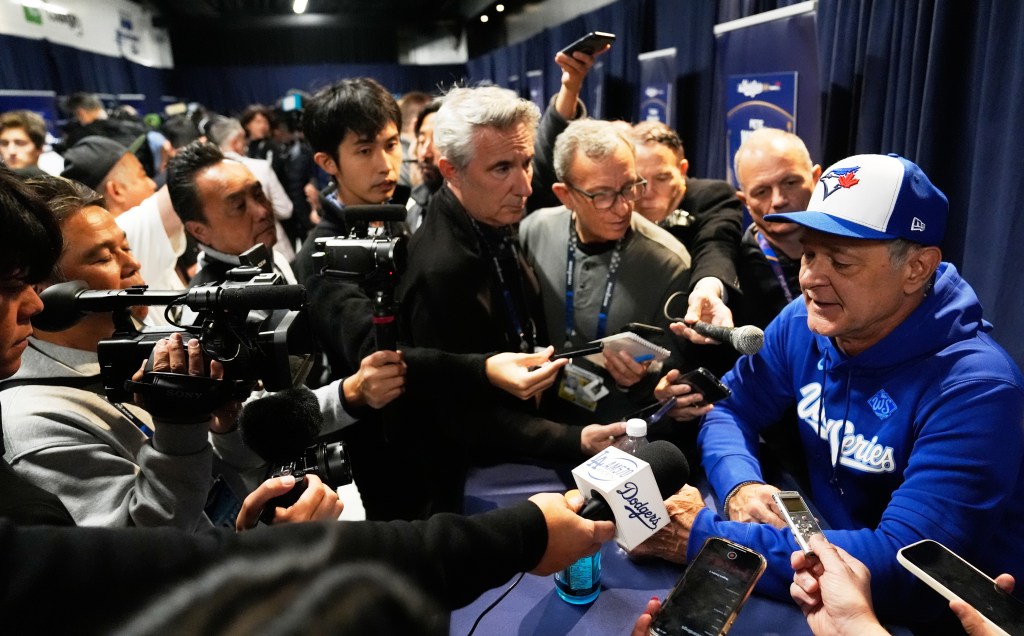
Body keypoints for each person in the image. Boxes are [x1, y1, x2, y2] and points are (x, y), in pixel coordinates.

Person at [628, 153, 1024, 630]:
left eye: (840, 261)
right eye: (810, 253)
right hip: (813, 579)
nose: (812, 277)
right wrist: (739, 482)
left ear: (917, 268)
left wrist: (701, 537)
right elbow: (731, 408)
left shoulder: (977, 388)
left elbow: (903, 562)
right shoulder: (803, 321)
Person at [0, 175, 263, 530]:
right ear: (46, 291)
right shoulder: (31, 423)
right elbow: (138, 546)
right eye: (104, 257)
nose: (131, 265)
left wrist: (226, 422)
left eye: (126, 247)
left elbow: (231, 464)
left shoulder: (134, 337)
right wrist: (179, 429)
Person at [520, 118, 699, 427]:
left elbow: (673, 372)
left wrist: (643, 380)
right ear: (565, 195)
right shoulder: (534, 230)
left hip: (619, 435)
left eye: (629, 187)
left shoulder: (668, 261)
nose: (622, 208)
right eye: (602, 195)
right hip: (541, 425)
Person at [629, 121, 746, 375]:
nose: (647, 193)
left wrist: (708, 288)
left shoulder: (712, 196)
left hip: (697, 356)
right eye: (638, 180)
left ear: (682, 170)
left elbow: (716, 245)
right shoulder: (622, 203)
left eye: (661, 178)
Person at [293, 76, 407, 285]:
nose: (386, 166)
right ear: (328, 162)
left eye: (391, 145)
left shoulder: (396, 216)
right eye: (365, 151)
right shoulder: (322, 258)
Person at [207, 116, 296, 263]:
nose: (246, 144)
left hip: (237, 261)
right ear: (235, 142)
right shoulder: (260, 167)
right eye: (243, 140)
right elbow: (285, 209)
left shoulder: (207, 180)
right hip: (276, 253)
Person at [405, 98, 442, 233]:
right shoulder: (412, 210)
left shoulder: (479, 214)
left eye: (437, 141)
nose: (424, 153)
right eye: (421, 141)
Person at [0, 109, 49, 177]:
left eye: (20, 143)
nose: (11, 152)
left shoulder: (55, 185)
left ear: (40, 148)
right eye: (4, 143)